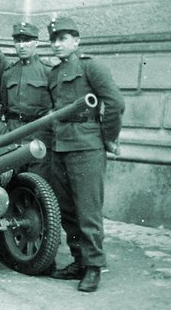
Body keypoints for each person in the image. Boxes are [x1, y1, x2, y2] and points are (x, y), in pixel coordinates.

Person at [45, 17, 125, 293]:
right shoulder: (53, 75)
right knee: (67, 211)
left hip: (87, 147)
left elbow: (115, 103)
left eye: (63, 39)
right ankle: (79, 261)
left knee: (88, 210)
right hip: (60, 147)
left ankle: (93, 267)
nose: (57, 44)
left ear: (77, 41)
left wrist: (108, 138)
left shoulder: (92, 66)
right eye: (53, 40)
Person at [0, 22, 53, 178]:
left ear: (36, 42)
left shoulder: (48, 71)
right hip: (13, 135)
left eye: (26, 40)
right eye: (18, 41)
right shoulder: (9, 73)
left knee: (38, 185)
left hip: (39, 136)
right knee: (13, 185)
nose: (21, 45)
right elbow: (4, 104)